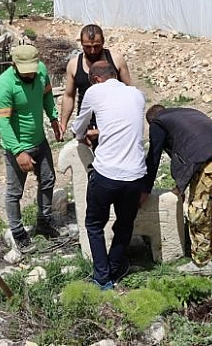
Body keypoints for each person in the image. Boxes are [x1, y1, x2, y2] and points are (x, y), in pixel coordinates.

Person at [71, 61, 146, 290]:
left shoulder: (94, 91)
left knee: (94, 224)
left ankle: (102, 277)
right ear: (115, 75)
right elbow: (123, 124)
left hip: (107, 175)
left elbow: (78, 128)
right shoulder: (137, 94)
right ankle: (116, 267)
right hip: (135, 175)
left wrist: (85, 134)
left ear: (96, 79)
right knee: (124, 224)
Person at [142, 105, 212, 275]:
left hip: (211, 164)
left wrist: (145, 189)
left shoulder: (158, 122)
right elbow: (191, 150)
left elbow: (154, 156)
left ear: (151, 121)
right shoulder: (188, 113)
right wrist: (180, 187)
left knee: (199, 213)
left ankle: (202, 263)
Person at [0, 45, 63, 252]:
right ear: (13, 64)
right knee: (15, 192)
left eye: (32, 68)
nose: (30, 73)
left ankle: (44, 221)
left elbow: (47, 96)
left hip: (39, 141)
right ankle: (18, 232)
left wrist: (53, 119)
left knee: (48, 180)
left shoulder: (41, 71)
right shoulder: (4, 85)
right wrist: (18, 152)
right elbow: (2, 123)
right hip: (17, 147)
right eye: (25, 70)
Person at [60, 24, 132, 145]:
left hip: (113, 124)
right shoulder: (74, 65)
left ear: (103, 42)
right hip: (86, 127)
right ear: (81, 44)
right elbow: (69, 96)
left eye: (97, 46)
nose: (92, 51)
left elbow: (129, 91)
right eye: (87, 47)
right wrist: (63, 124)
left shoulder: (116, 60)